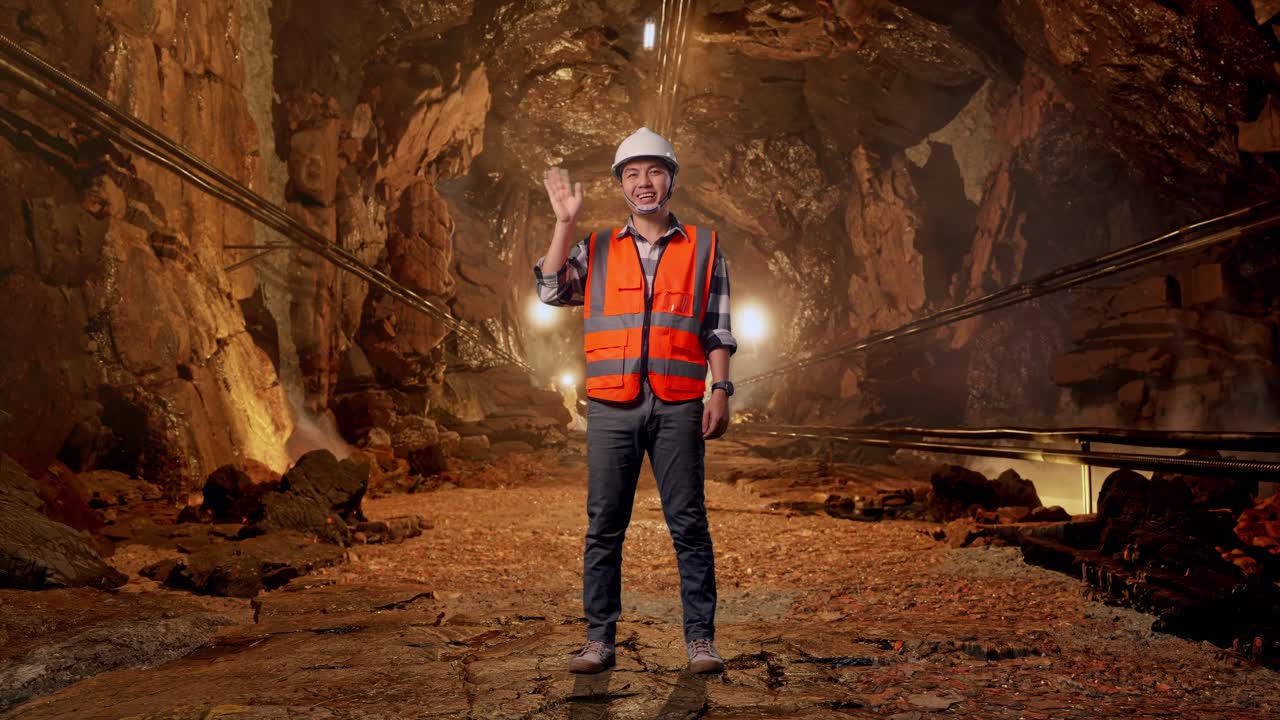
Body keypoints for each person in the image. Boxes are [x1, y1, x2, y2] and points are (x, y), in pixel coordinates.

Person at [534, 127, 737, 674]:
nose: (643, 183)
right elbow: (551, 290)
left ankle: (700, 640)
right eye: (631, 174)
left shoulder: (704, 246)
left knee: (688, 522)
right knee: (604, 525)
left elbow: (717, 328)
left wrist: (719, 388)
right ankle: (599, 640)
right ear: (621, 184)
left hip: (677, 402)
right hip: (612, 404)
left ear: (671, 178)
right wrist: (564, 223)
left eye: (653, 171)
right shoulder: (596, 247)